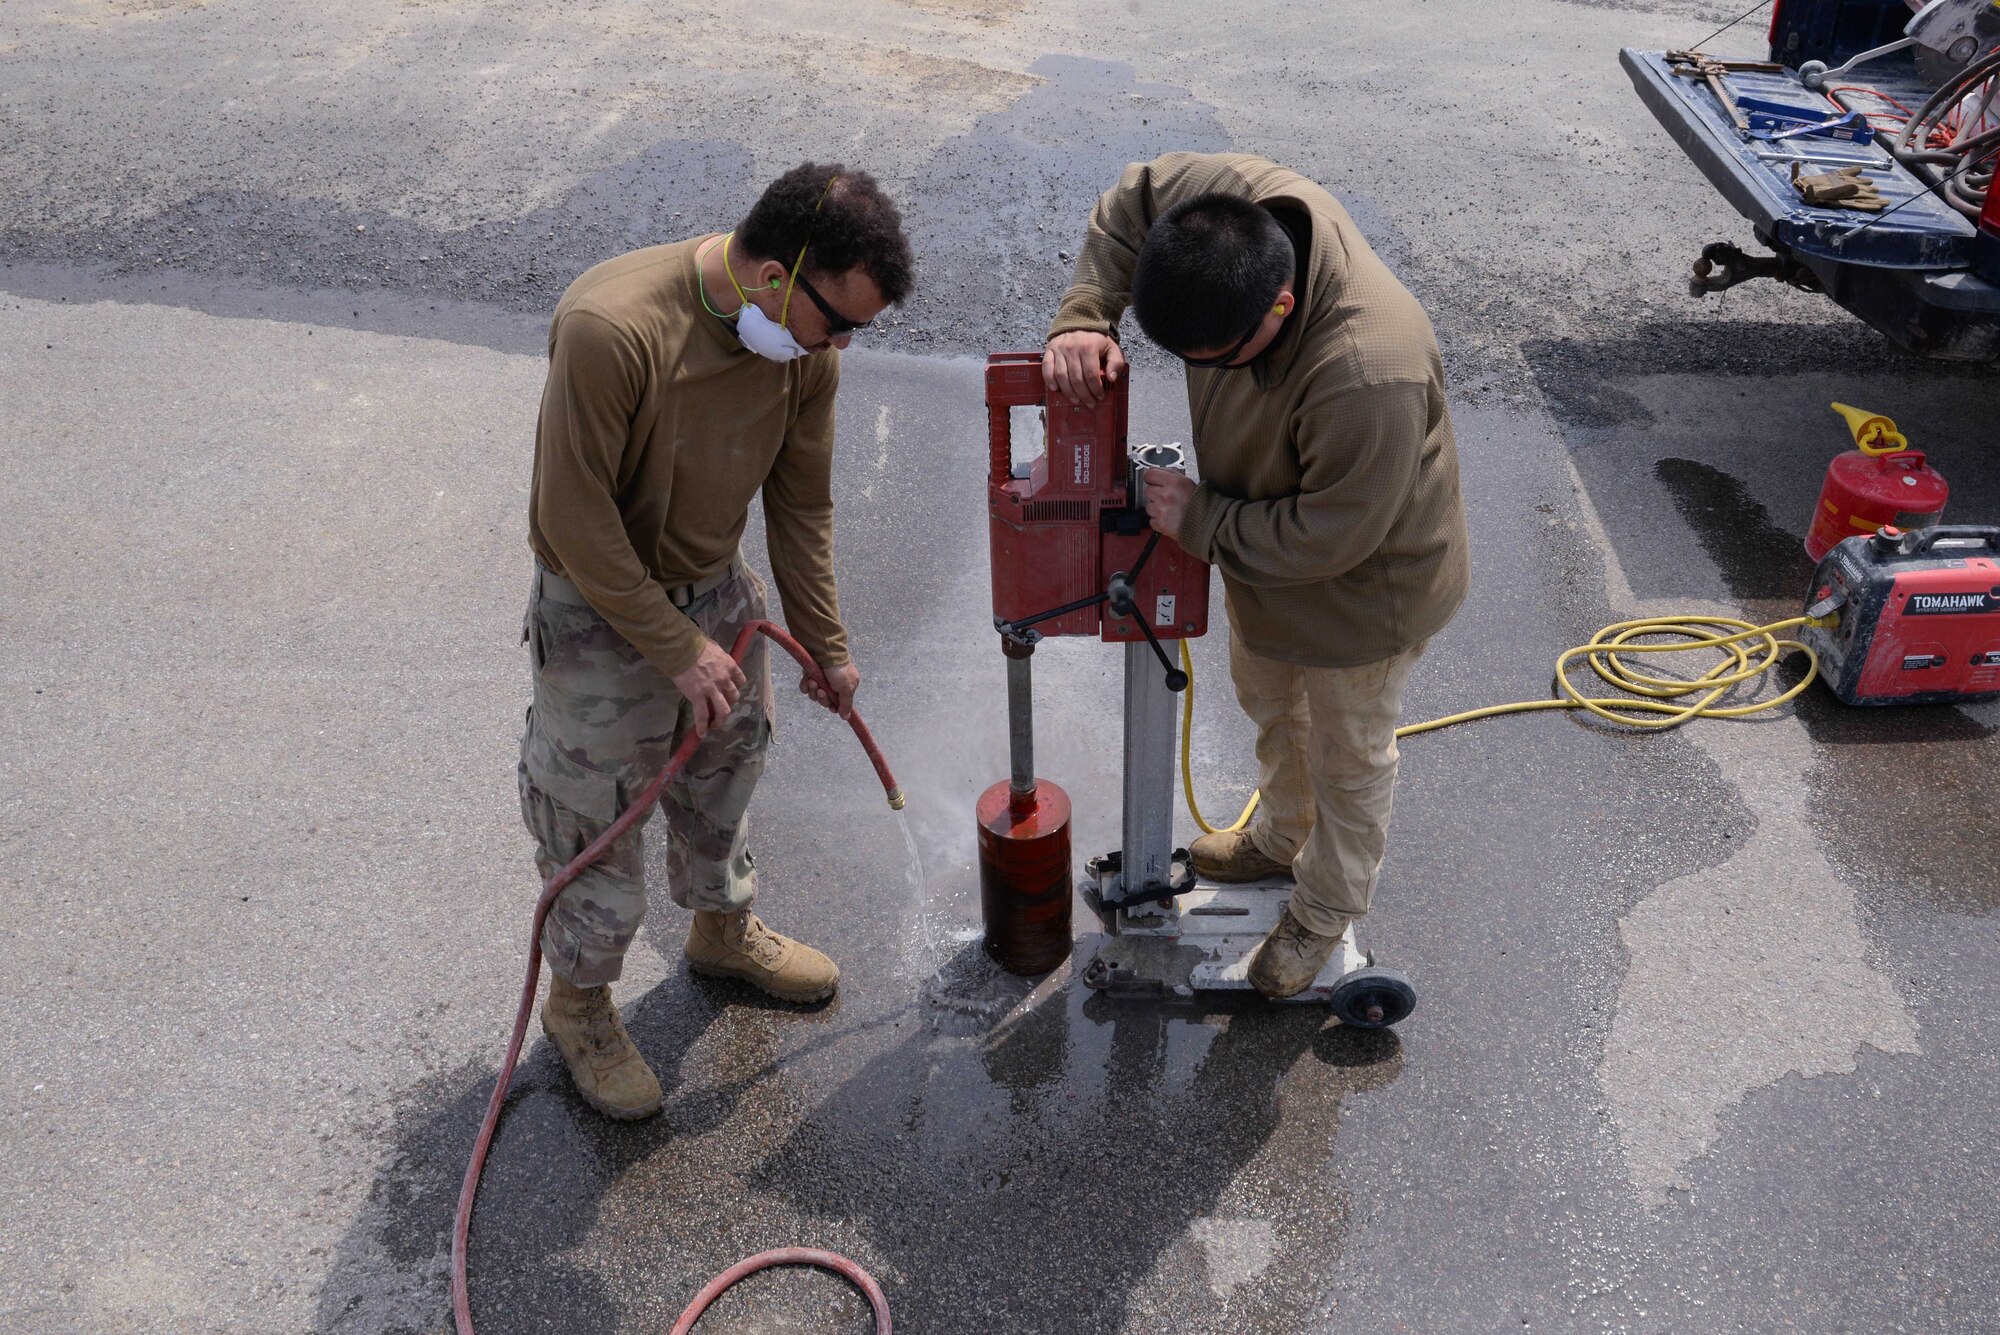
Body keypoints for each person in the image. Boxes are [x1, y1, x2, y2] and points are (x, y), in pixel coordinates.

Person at [519, 164, 913, 1118]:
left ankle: (720, 929)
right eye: (838, 321)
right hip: (599, 602)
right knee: (597, 812)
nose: (843, 345)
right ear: (777, 278)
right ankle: (579, 1003)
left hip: (715, 591)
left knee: (729, 762)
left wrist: (826, 641)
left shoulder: (803, 347)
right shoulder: (613, 329)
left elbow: (801, 503)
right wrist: (672, 644)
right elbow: (574, 518)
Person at [1044, 152, 1468, 1000]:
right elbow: (1132, 197)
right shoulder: (1233, 205)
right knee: (1272, 701)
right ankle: (1280, 835)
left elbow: (1331, 537)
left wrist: (1201, 521)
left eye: (1218, 359)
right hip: (1264, 539)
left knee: (1348, 753)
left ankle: (1323, 910)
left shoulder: (1366, 369)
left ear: (1279, 308)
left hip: (1364, 587)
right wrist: (1087, 315)